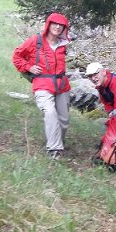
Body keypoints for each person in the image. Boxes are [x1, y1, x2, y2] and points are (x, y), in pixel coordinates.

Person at [12, 13, 72, 159]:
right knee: (50, 112)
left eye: (61, 25)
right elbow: (17, 56)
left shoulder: (63, 44)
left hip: (62, 86)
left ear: (64, 28)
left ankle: (58, 142)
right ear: (48, 24)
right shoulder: (36, 41)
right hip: (42, 84)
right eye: (54, 24)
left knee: (63, 121)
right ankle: (55, 150)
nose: (57, 27)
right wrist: (29, 67)